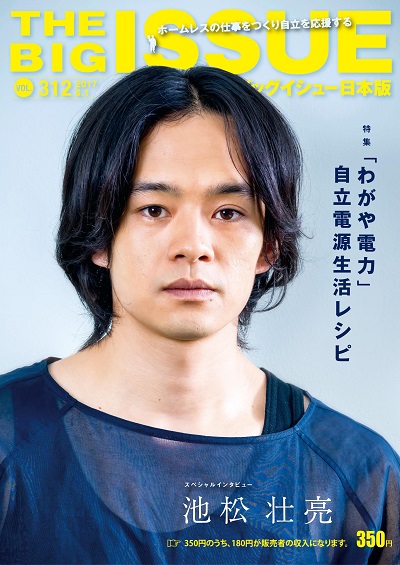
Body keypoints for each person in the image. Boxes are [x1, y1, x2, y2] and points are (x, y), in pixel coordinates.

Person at [0, 66, 398, 564]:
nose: (193, 246)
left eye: (228, 212)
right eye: (154, 209)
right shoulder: (9, 439)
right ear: (98, 235)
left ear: (269, 245)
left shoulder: (357, 475)